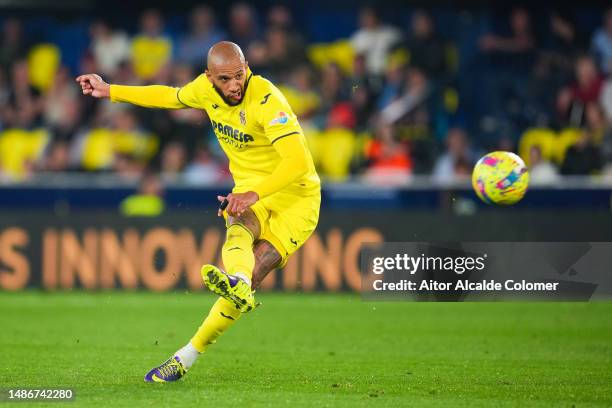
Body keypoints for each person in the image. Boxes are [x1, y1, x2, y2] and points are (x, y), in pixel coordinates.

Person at [76, 41, 321, 382]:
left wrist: (253, 192)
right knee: (238, 233)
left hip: (297, 197)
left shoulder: (267, 98)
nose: (234, 85)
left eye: (239, 75)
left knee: (257, 265)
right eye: (225, 79)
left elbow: (297, 163)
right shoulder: (204, 90)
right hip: (252, 194)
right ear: (210, 77)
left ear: (247, 66)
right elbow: (169, 97)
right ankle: (229, 293)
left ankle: (191, 348)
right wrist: (110, 90)